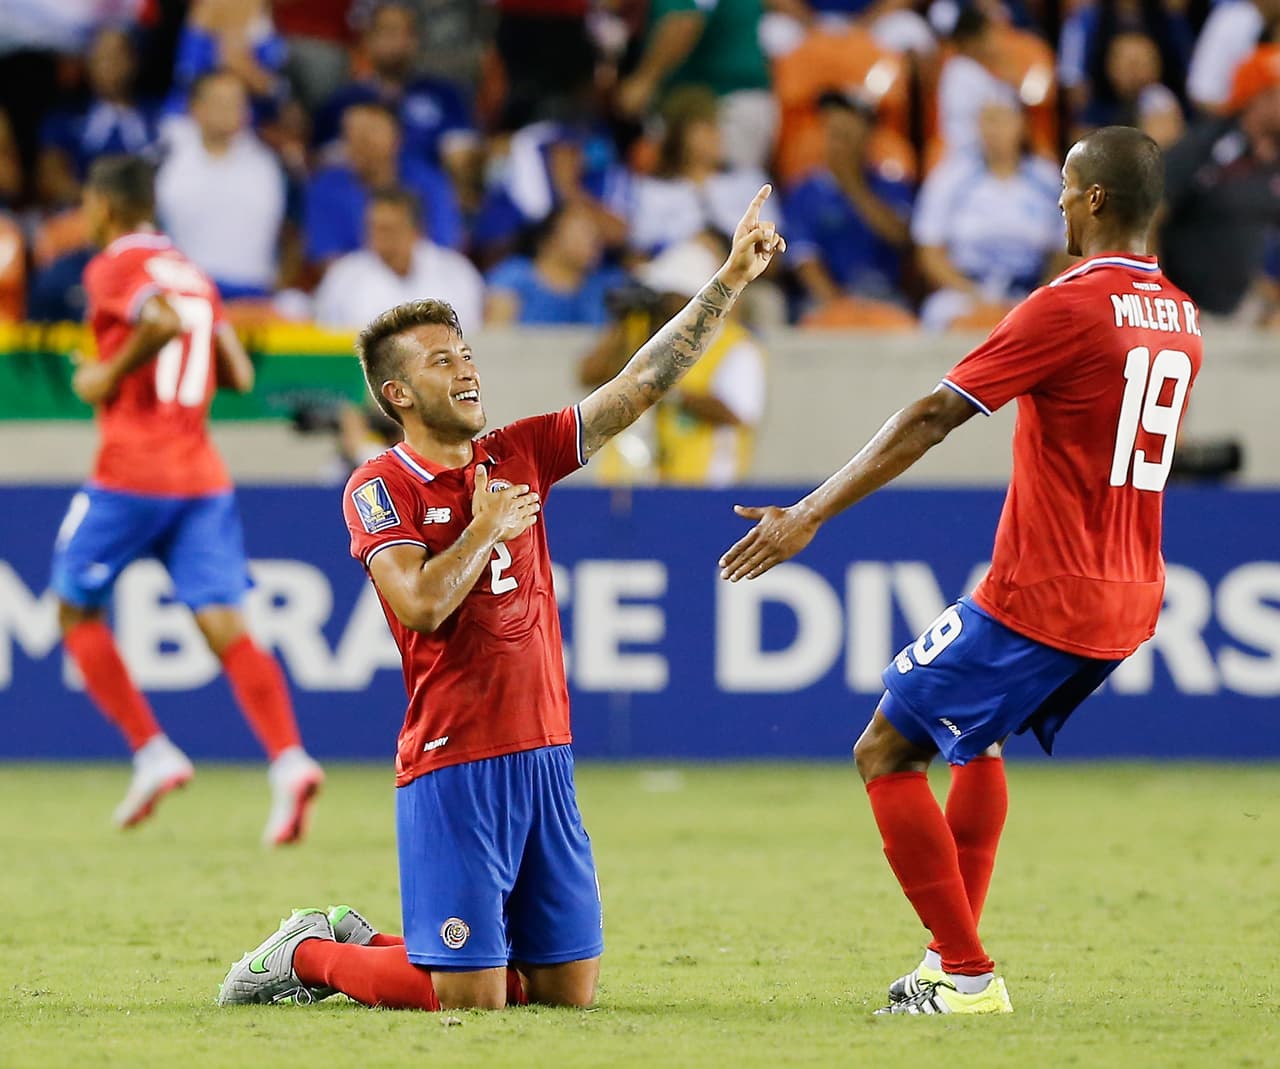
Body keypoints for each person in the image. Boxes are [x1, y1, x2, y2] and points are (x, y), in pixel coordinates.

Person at [216, 185, 784, 1011]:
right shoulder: (380, 485)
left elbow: (641, 384)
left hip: (546, 749)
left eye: (465, 351)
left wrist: (729, 281)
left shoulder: (521, 449)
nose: (466, 366)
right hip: (456, 758)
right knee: (472, 999)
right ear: (399, 394)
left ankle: (380, 940)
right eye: (440, 359)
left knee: (563, 994)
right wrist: (483, 529)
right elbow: (416, 604)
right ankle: (308, 952)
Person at [720, 127, 1199, 1015]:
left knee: (884, 749)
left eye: (1064, 184)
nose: (1054, 199)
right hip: (1130, 590)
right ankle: (950, 963)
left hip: (1047, 592)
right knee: (971, 737)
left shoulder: (1067, 307)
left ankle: (968, 973)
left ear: (1096, 200)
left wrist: (808, 514)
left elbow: (936, 414)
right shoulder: (1179, 312)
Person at [51, 155, 324, 845]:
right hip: (200, 474)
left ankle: (152, 749)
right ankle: (288, 759)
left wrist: (103, 375)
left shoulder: (112, 265)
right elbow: (233, 369)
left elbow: (161, 323)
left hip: (131, 470)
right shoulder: (195, 274)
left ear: (104, 206)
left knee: (73, 606)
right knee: (225, 625)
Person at [912, 99, 1064, 331]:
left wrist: (1039, 294)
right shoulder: (951, 176)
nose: (995, 131)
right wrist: (972, 293)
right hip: (965, 291)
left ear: (1021, 125)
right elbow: (928, 251)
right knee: (938, 314)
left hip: (1028, 289)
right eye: (988, 122)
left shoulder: (1047, 178)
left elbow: (1064, 251)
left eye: (1002, 121)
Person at [1160, 44, 1280, 320]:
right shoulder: (1206, 144)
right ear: (1257, 97)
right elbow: (1150, 210)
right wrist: (1152, 291)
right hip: (1191, 313)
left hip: (1256, 313)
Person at [155, 70, 286, 300]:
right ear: (196, 108)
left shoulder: (269, 166)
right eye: (220, 102)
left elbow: (291, 232)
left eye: (237, 103)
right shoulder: (167, 164)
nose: (230, 110)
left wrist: (279, 282)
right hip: (187, 291)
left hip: (253, 292)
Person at [312, 2, 477, 182]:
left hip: (430, 196)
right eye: (388, 31)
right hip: (360, 199)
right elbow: (325, 166)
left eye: (407, 33)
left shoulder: (444, 94)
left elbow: (464, 156)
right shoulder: (341, 102)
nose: (397, 41)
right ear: (368, 39)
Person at [785, 90, 913, 312]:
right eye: (834, 133)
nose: (839, 143)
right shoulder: (804, 191)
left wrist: (852, 184)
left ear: (868, 136)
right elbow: (804, 260)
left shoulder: (892, 185)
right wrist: (840, 308)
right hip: (824, 300)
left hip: (885, 296)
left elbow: (901, 238)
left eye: (848, 134)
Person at [304, 101, 462, 267]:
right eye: (351, 133)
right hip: (359, 286)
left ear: (397, 137)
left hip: (423, 281)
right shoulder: (326, 188)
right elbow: (328, 262)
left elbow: (445, 251)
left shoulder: (429, 182)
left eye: (369, 132)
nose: (360, 142)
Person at [312, 186, 483, 331]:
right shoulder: (343, 276)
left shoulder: (456, 273)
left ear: (416, 230)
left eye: (387, 229)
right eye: (372, 228)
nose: (377, 237)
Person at [485, 202, 626, 326]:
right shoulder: (514, 277)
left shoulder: (605, 286)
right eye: (583, 232)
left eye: (596, 234)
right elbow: (497, 336)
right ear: (550, 238)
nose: (593, 241)